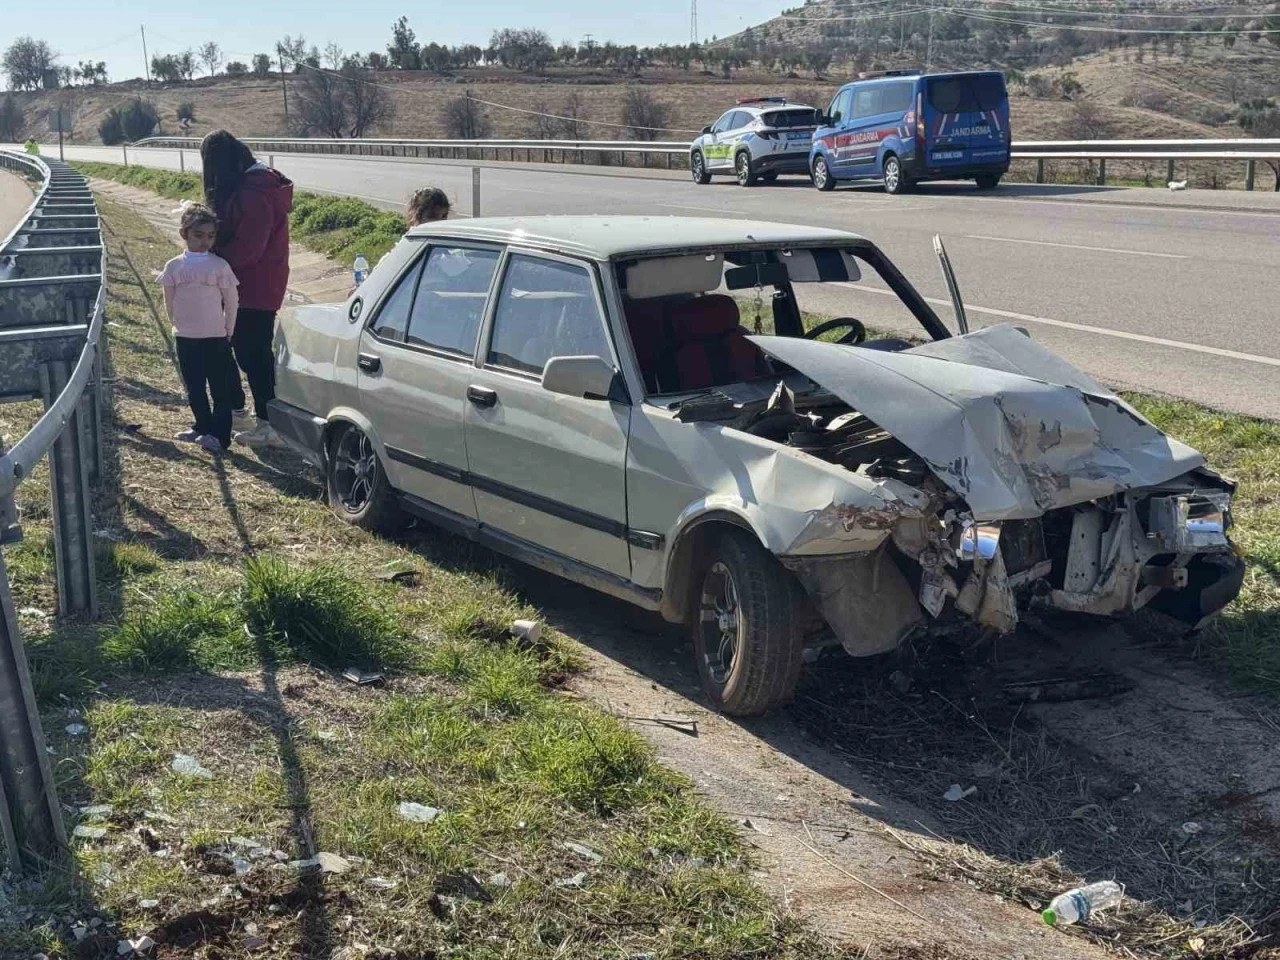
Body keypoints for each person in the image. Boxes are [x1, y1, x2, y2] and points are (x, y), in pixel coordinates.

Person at [200, 130, 294, 448]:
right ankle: (262, 417)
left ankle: (271, 424)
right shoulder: (256, 185)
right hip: (257, 283)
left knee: (253, 355)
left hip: (254, 286)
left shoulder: (254, 192)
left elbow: (249, 248)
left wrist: (213, 257)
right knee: (249, 352)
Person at [157, 204, 240, 454]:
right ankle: (201, 426)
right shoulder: (174, 266)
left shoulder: (219, 266)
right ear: (184, 234)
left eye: (210, 236)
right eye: (199, 235)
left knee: (220, 388)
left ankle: (220, 435)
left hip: (215, 337)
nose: (205, 241)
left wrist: (228, 329)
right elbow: (168, 299)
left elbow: (232, 300)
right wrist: (176, 324)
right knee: (194, 387)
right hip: (185, 337)